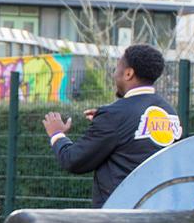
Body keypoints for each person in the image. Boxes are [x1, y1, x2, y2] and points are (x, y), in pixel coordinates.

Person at [43, 44, 182, 207]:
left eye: (117, 68)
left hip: (120, 217)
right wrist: (106, 121)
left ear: (128, 73)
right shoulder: (169, 112)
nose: (114, 74)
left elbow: (73, 160)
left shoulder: (115, 115)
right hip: (160, 212)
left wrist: (57, 134)